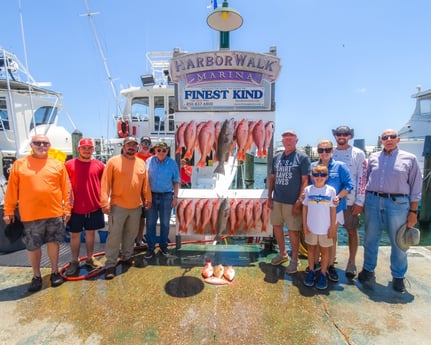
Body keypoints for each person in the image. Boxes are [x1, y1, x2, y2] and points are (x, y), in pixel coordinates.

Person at [3, 134, 72, 292]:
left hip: (54, 213)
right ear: (31, 145)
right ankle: (36, 276)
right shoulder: (19, 165)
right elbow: (12, 190)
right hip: (30, 215)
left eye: (45, 143)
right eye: (38, 143)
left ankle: (54, 272)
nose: (41, 145)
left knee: (53, 244)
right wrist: (8, 210)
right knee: (33, 247)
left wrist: (67, 209)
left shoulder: (58, 164)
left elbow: (66, 189)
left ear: (50, 145)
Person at [358, 129, 422, 292]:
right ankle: (368, 269)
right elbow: (367, 179)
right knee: (370, 238)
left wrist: (413, 212)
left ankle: (398, 276)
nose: (389, 139)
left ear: (398, 139)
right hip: (373, 200)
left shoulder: (410, 159)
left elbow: (416, 187)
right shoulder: (372, 157)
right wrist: (364, 202)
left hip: (398, 203)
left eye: (392, 137)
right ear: (381, 140)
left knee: (399, 241)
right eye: (385, 137)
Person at [101, 136, 152, 280]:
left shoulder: (141, 163)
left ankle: (127, 256)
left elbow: (145, 184)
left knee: (131, 234)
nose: (131, 147)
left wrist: (148, 198)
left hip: (136, 206)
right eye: (128, 145)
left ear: (137, 148)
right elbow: (105, 184)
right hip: (118, 206)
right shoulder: (113, 162)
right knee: (114, 236)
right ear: (123, 146)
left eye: (134, 145)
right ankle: (110, 264)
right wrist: (104, 202)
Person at [310, 139, 354, 283]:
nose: (324, 153)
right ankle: (315, 264)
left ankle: (329, 266)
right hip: (316, 209)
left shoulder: (340, 166)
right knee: (316, 237)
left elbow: (349, 184)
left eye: (327, 149)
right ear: (318, 151)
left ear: (332, 151)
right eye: (321, 150)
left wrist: (339, 197)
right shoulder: (312, 166)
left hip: (335, 209)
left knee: (331, 237)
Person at [267, 130, 310, 274]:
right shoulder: (277, 158)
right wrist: (269, 196)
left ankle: (294, 260)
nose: (288, 141)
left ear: (296, 140)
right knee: (277, 227)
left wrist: (299, 200)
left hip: (292, 202)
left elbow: (305, 181)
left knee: (293, 231)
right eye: (285, 138)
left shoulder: (302, 157)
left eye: (291, 138)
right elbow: (272, 178)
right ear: (282, 141)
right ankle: (283, 253)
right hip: (277, 199)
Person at [64, 138, 105, 276]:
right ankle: (74, 261)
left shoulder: (100, 165)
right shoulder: (68, 165)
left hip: (93, 206)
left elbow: (104, 185)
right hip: (74, 208)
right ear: (78, 149)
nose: (87, 150)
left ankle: (89, 258)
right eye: (84, 148)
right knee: (74, 236)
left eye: (89, 148)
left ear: (93, 149)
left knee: (90, 234)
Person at [332, 125, 367, 280]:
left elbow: (362, 178)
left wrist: (360, 201)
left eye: (345, 134)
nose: (342, 136)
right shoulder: (329, 151)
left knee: (352, 231)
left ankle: (351, 262)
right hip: (331, 201)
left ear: (350, 136)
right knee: (330, 232)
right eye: (339, 134)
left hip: (351, 200)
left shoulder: (358, 154)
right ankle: (329, 260)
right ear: (335, 136)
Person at [302, 164, 337, 290]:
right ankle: (311, 271)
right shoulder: (308, 190)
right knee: (311, 250)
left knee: (325, 251)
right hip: (311, 227)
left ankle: (323, 273)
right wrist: (304, 224)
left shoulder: (331, 190)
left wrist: (332, 227)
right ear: (312, 177)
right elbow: (305, 207)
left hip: (325, 228)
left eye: (322, 175)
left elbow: (333, 210)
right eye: (316, 175)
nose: (319, 177)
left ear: (327, 177)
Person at [144, 141, 180, 259]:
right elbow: (145, 181)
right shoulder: (148, 162)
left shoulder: (172, 163)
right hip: (151, 196)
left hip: (166, 196)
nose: (161, 152)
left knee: (165, 223)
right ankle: (150, 247)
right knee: (150, 223)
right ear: (155, 150)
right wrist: (145, 197)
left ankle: (163, 246)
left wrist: (175, 197)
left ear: (167, 151)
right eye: (159, 150)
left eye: (164, 150)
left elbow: (176, 181)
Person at [135, 136, 153, 247]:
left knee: (143, 218)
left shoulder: (154, 157)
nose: (145, 145)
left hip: (149, 192)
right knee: (134, 218)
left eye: (148, 143)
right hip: (136, 192)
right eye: (143, 142)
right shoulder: (134, 156)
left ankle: (139, 239)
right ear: (140, 145)